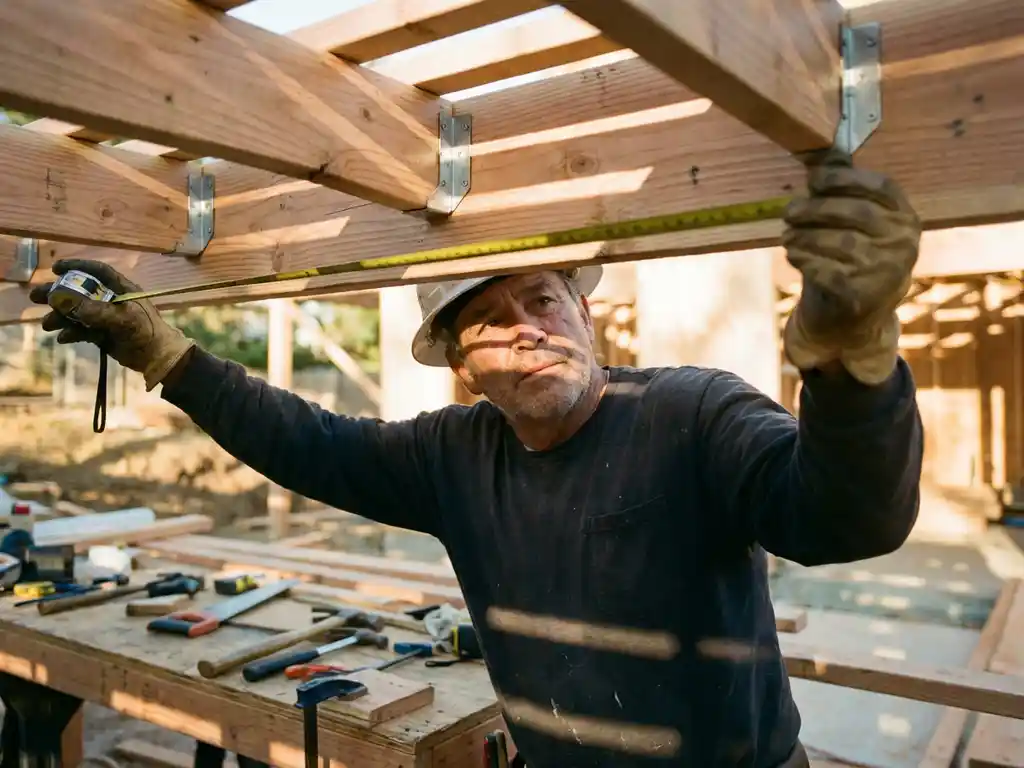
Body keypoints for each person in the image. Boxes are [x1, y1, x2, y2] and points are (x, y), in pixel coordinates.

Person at [31, 150, 924, 768]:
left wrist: (850, 361)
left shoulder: (691, 412)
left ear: (585, 313)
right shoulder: (455, 453)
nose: (528, 326)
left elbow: (846, 518)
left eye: (543, 298)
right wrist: (162, 353)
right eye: (491, 320)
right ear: (462, 368)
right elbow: (305, 441)